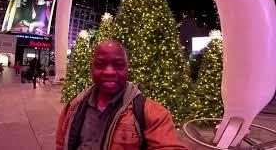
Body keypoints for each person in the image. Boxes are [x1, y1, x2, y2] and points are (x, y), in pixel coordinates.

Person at [56, 40, 187, 150]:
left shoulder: (153, 114)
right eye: (100, 65)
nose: (109, 72)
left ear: (127, 68)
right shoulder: (73, 107)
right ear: (92, 67)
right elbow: (61, 145)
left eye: (118, 65)